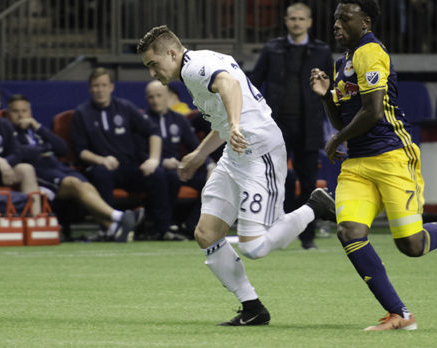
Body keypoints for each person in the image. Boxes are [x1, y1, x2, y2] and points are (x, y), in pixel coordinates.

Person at [309, 0, 437, 331]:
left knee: (411, 245)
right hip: (358, 164)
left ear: (365, 22)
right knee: (349, 232)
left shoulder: (371, 52)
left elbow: (374, 112)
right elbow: (341, 117)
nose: (336, 23)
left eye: (345, 17)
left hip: (391, 155)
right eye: (335, 17)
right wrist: (325, 97)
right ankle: (400, 315)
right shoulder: (341, 62)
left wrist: (337, 139)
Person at [137, 25, 336, 326]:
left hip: (260, 153)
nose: (153, 73)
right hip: (235, 154)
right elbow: (222, 114)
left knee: (254, 246)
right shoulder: (195, 67)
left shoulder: (196, 68)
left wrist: (234, 125)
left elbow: (229, 85)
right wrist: (200, 154)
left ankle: (315, 207)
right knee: (206, 234)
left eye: (153, 64)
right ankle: (253, 307)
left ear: (172, 53)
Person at [250, 2, 334, 250]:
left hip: (309, 125)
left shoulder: (322, 51)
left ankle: (307, 238)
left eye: (301, 19)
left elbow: (331, 89)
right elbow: (254, 83)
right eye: (292, 18)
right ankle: (278, 232)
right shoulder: (272, 49)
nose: (296, 22)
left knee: (308, 181)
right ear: (285, 21)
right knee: (276, 180)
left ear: (309, 22)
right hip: (277, 125)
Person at [5, 93, 137, 242]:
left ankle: (112, 228)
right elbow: (22, 153)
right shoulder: (7, 131)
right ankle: (119, 216)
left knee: (86, 186)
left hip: (57, 166)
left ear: (30, 113)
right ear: (8, 113)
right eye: (15, 111)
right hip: (38, 171)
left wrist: (38, 127)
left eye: (24, 111)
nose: (20, 115)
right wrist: (44, 148)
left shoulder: (36, 130)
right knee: (74, 184)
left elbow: (61, 148)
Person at [70, 67, 178, 240]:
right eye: (96, 86)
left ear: (111, 87)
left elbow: (153, 131)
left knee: (157, 173)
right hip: (101, 167)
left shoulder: (125, 108)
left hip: (130, 167)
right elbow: (80, 151)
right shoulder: (81, 114)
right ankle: (109, 229)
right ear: (90, 88)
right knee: (101, 174)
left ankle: (161, 230)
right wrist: (101, 159)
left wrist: (154, 159)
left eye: (103, 85)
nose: (100, 90)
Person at [144, 80, 207, 236]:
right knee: (167, 176)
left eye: (159, 95)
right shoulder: (142, 120)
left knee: (212, 179)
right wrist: (162, 162)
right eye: (151, 97)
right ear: (146, 98)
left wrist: (209, 164)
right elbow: (137, 151)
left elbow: (196, 148)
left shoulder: (179, 120)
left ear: (168, 96)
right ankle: (164, 227)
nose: (155, 100)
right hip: (155, 169)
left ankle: (192, 224)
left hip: (179, 168)